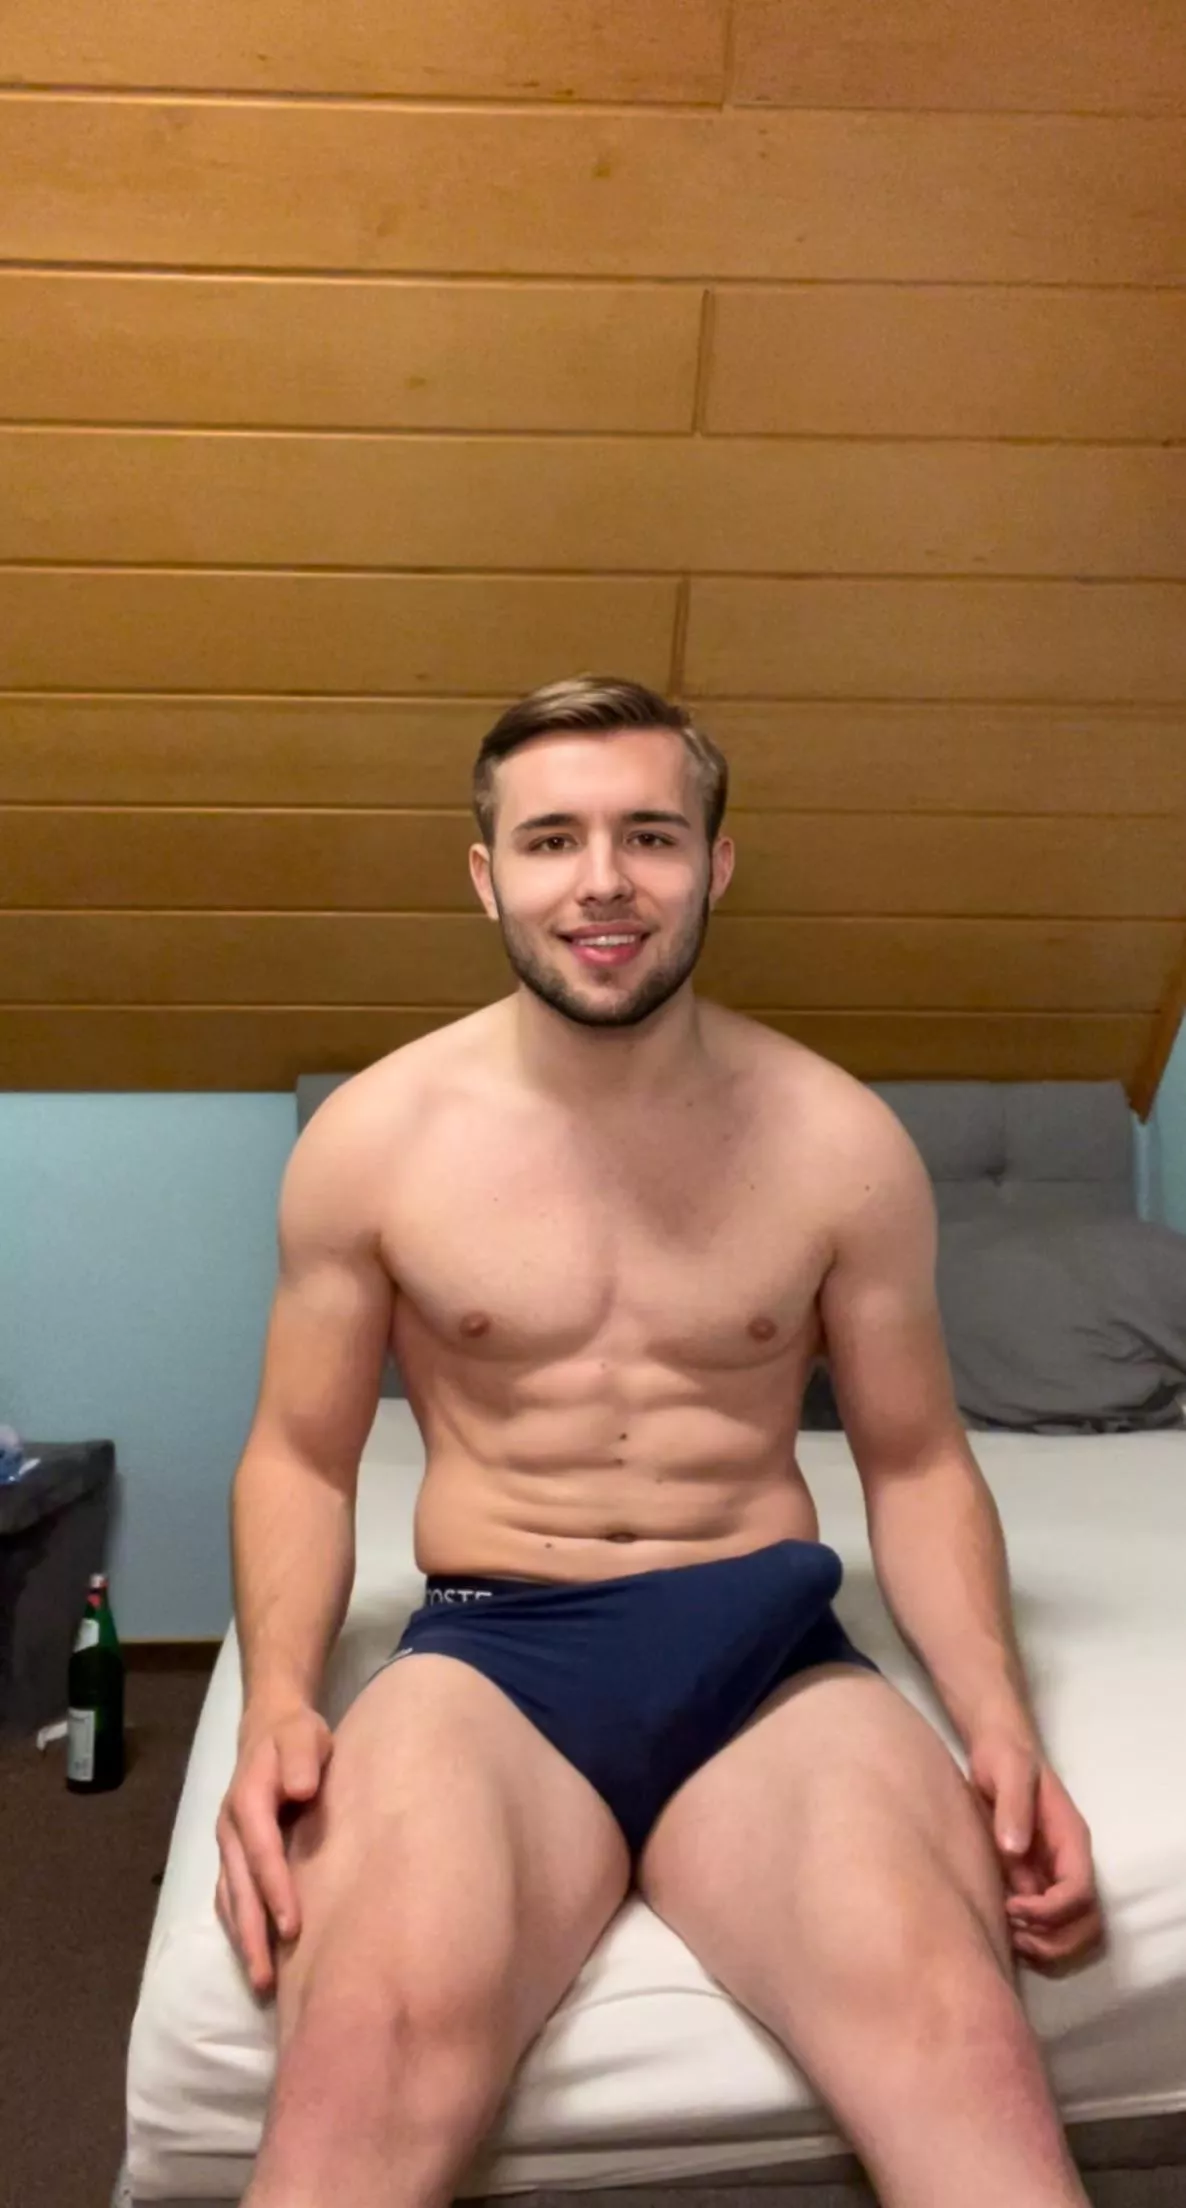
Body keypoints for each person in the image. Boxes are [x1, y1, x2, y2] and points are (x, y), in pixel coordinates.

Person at [217, 675, 1103, 2208]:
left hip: (763, 1655)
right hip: (495, 1653)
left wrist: (999, 1724)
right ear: (486, 874)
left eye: (649, 835)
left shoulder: (838, 1141)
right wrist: (278, 1705)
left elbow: (912, 1460)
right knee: (367, 2043)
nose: (603, 881)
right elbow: (300, 1454)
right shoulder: (374, 1139)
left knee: (954, 2032)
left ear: (715, 862)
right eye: (551, 839)